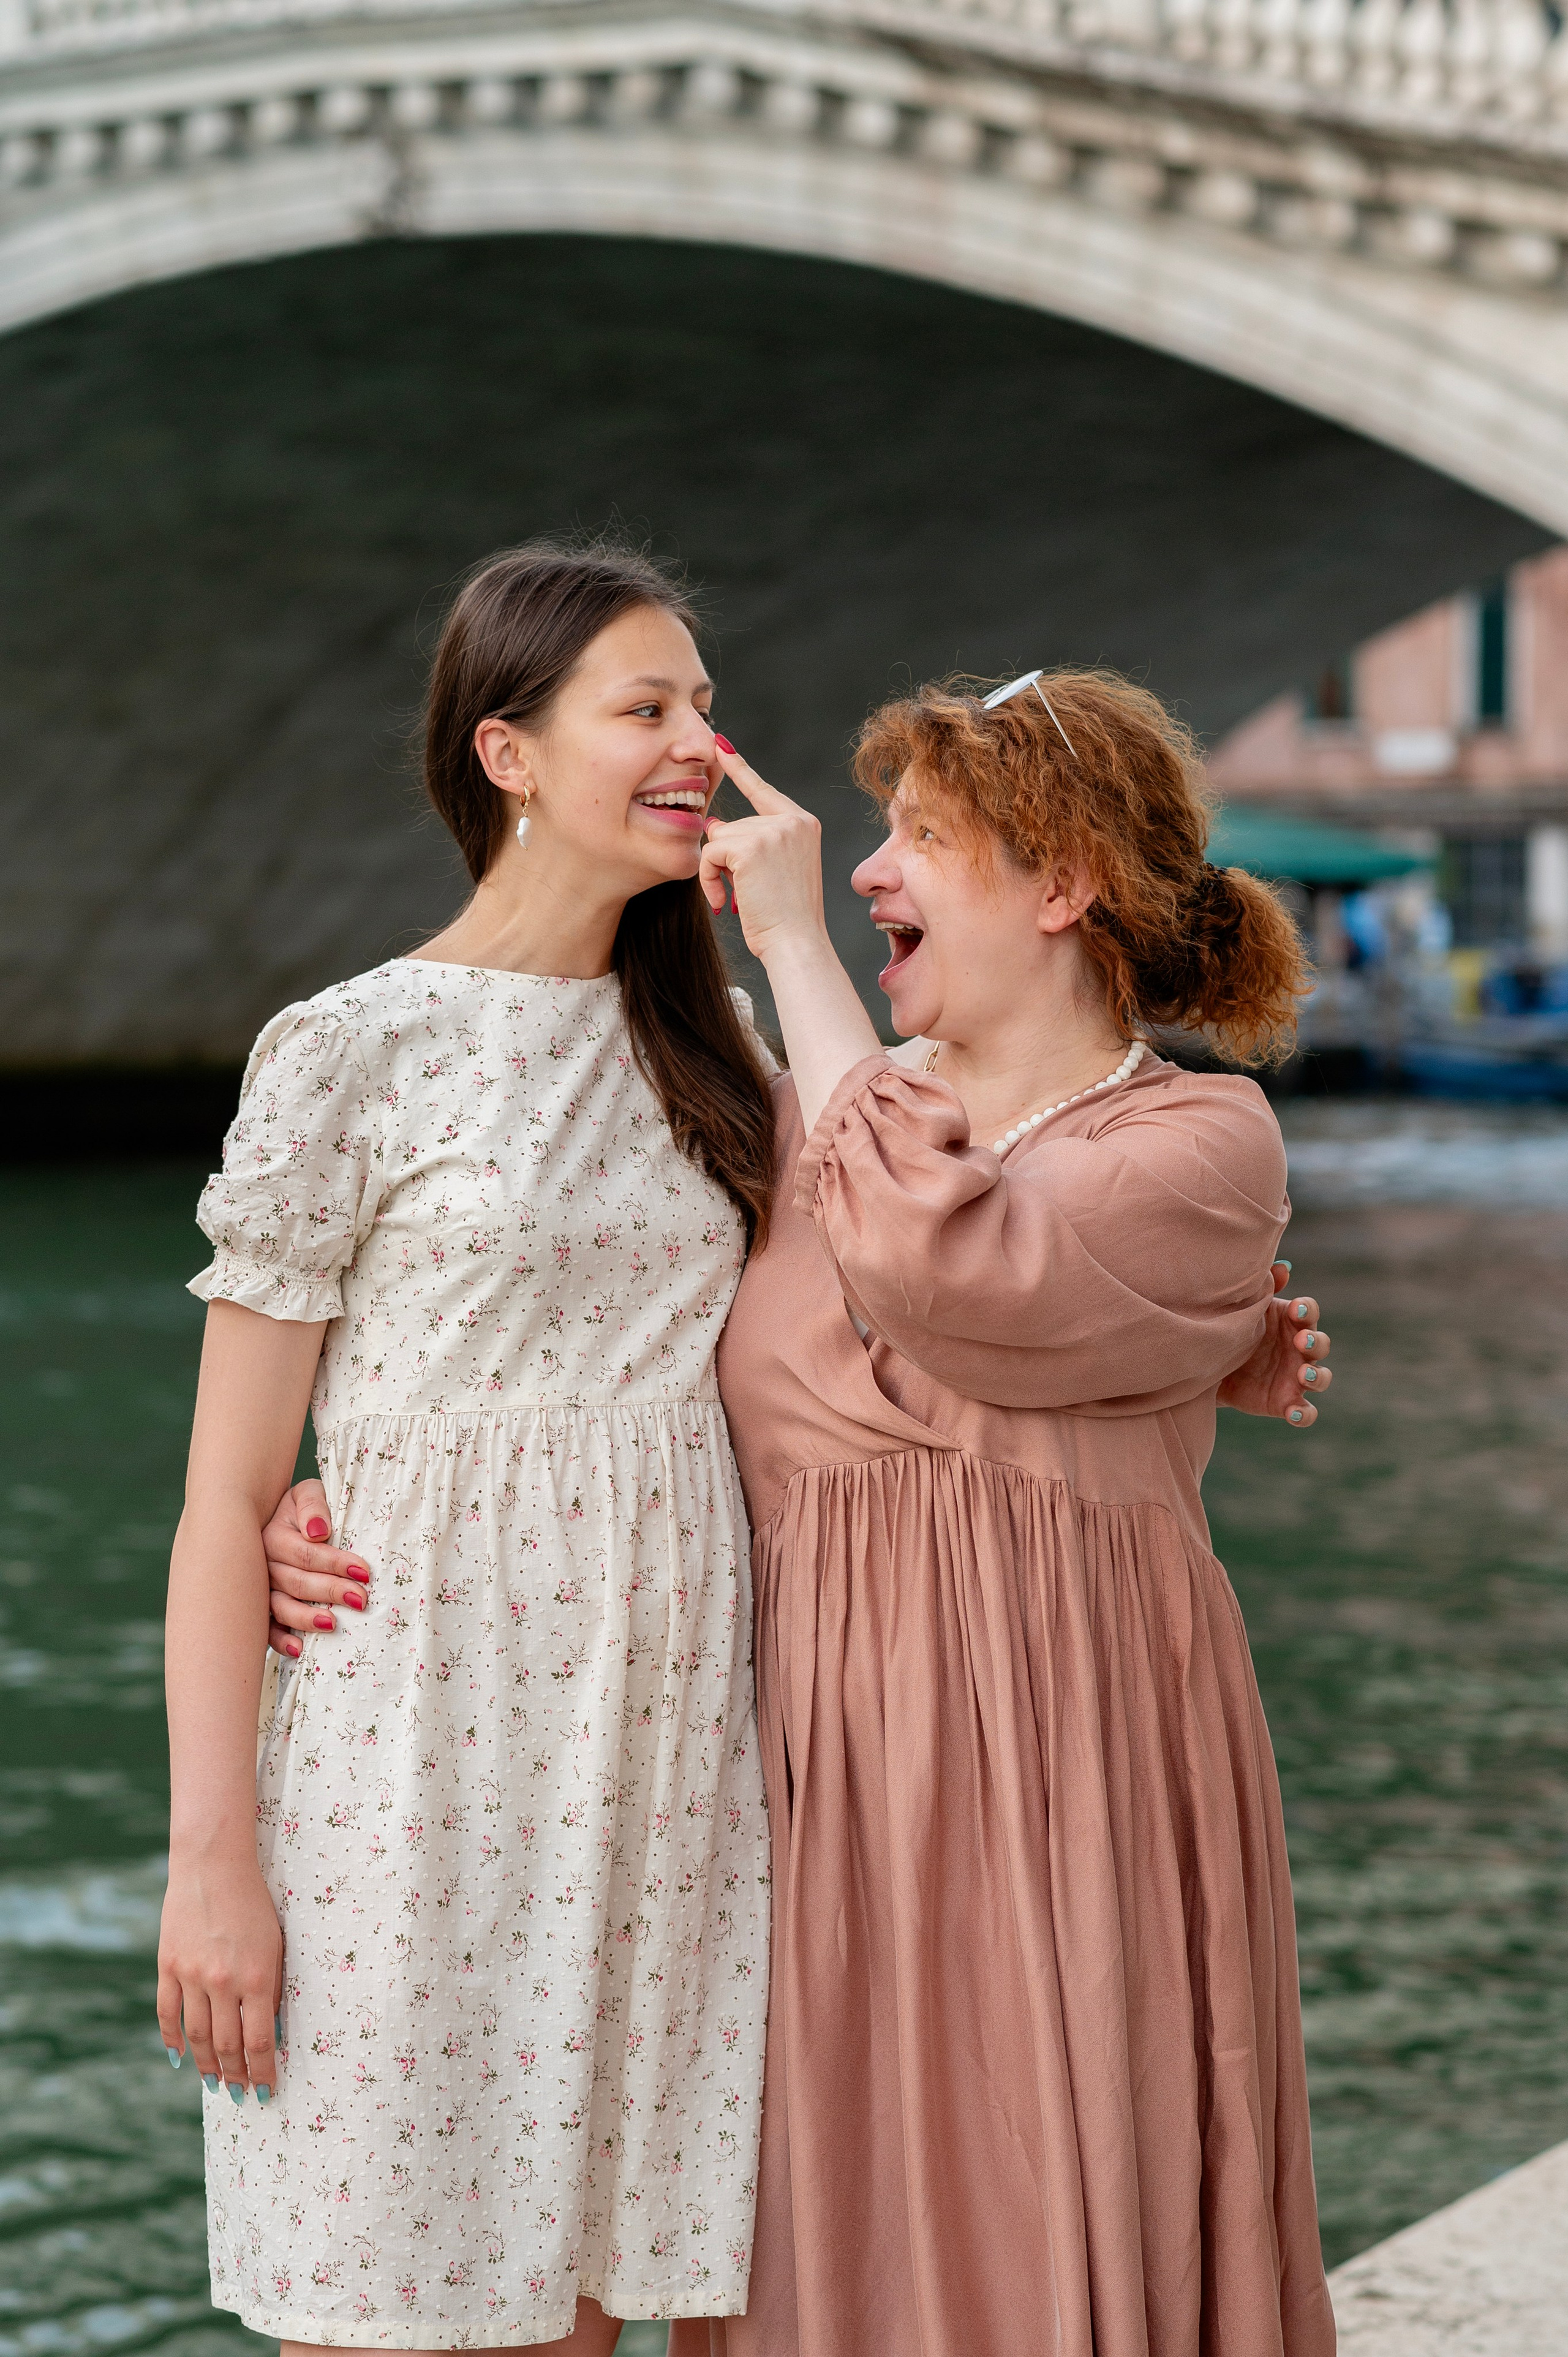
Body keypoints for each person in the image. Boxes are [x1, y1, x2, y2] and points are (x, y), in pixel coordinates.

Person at [155, 540, 776, 2357]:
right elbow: (225, 1499)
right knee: (381, 2304)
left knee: (591, 2311)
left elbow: (913, 1271)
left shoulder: (720, 1048)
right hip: (412, 1749)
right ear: (507, 752)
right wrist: (213, 1861)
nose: (699, 744)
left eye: (704, 706)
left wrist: (1197, 1331)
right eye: (646, 707)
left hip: (670, 1764)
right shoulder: (354, 1048)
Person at [670, 668, 1337, 2356]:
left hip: (1073, 1757)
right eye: (877, 844)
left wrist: (800, 951)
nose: (871, 875)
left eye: (920, 841)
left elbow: (938, 1257)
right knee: (843, 2217)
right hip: (823, 1769)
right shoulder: (783, 1119)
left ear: (1063, 887)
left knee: (1058, 2171)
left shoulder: (1200, 1137)